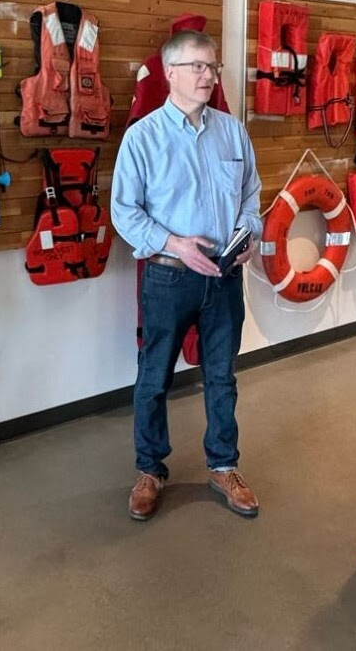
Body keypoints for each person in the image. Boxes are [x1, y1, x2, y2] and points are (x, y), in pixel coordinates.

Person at [111, 29, 262, 521]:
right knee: (153, 378)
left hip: (224, 279)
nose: (207, 76)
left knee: (222, 377)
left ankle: (224, 464)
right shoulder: (142, 138)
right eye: (197, 66)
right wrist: (174, 242)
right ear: (169, 73)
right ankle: (150, 469)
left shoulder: (233, 131)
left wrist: (249, 234)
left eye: (212, 67)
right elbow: (124, 212)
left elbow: (251, 195)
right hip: (169, 278)